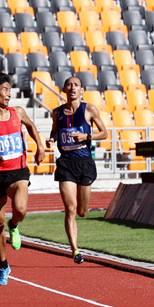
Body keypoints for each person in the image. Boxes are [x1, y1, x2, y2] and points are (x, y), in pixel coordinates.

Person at [0, 72, 45, 286]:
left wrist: (39, 146)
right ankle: (4, 266)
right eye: (5, 90)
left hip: (18, 172)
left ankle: (14, 224)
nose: (9, 94)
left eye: (9, 89)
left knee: (21, 209)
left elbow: (31, 126)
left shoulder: (18, 112)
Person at [46, 76, 108, 265]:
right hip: (66, 163)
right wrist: (51, 140)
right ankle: (75, 250)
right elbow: (55, 131)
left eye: (76, 85)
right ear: (64, 89)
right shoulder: (57, 113)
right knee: (70, 208)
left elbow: (104, 133)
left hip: (84, 163)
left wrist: (86, 136)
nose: (73, 88)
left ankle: (78, 226)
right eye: (69, 85)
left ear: (82, 89)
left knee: (82, 211)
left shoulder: (89, 109)